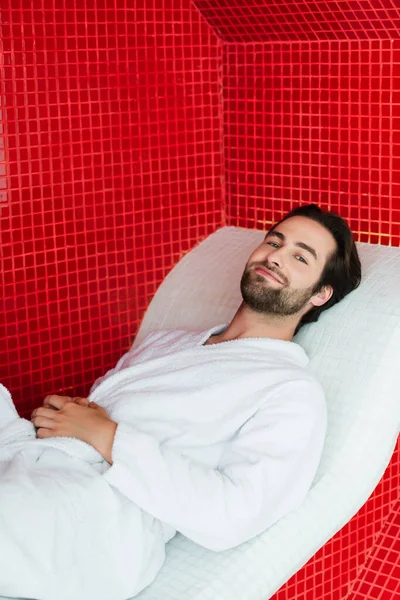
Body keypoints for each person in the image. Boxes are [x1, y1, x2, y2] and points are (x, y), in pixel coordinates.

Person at [0, 203, 361, 600]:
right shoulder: (169, 342)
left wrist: (108, 436)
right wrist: (71, 417)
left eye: (299, 256)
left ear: (321, 294)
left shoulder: (290, 390)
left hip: (92, 515)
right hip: (37, 461)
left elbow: (234, 514)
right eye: (273, 241)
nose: (275, 255)